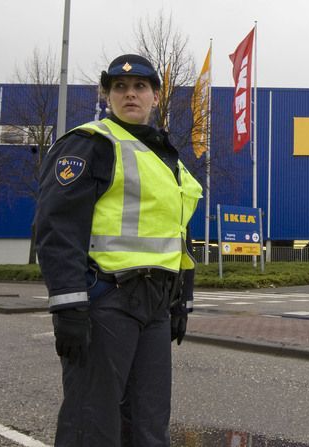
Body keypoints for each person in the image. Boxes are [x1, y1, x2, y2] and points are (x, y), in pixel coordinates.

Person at [35, 54, 202, 446]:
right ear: (106, 95)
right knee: (92, 423)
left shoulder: (167, 159)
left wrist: (181, 302)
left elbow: (178, 236)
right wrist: (68, 306)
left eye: (140, 87)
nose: (130, 94)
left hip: (156, 307)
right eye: (120, 87)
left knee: (149, 423)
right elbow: (58, 228)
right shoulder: (90, 144)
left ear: (156, 96)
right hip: (106, 300)